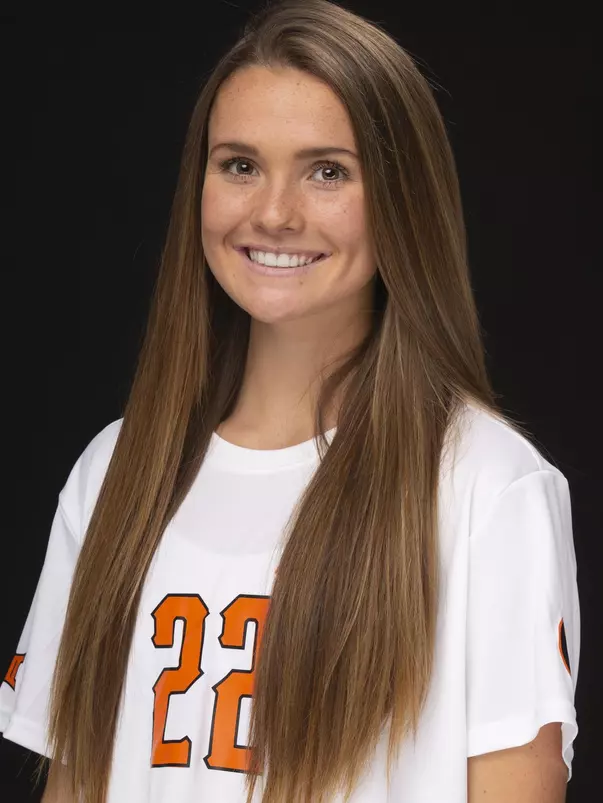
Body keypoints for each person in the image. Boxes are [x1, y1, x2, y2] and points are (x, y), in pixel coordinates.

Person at [0, 2, 580, 802]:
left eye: (327, 171)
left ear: (402, 198)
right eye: (239, 165)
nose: (273, 212)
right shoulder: (114, 472)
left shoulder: (487, 485)